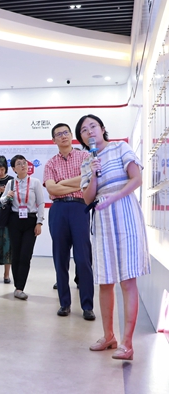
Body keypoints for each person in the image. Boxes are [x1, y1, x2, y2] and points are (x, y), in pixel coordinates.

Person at [77, 114, 151, 361]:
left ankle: (127, 344)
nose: (90, 131)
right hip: (102, 219)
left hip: (125, 212)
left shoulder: (121, 147)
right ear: (82, 138)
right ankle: (108, 336)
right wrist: (94, 175)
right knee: (105, 280)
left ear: (102, 129)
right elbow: (87, 198)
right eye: (84, 130)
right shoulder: (88, 162)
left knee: (127, 280)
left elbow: (136, 179)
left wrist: (115, 197)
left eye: (93, 126)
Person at [44, 123, 95, 320]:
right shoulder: (50, 164)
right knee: (60, 258)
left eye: (66, 132)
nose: (63, 136)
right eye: (59, 134)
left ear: (71, 135)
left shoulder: (84, 157)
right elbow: (52, 189)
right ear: (53, 140)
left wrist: (62, 183)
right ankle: (64, 303)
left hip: (80, 208)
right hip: (58, 209)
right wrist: (77, 184)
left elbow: (88, 180)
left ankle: (87, 305)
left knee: (83, 258)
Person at [1, 155, 45, 300]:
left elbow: (40, 203)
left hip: (30, 221)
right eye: (19, 164)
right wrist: (7, 196)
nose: (23, 166)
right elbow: (2, 200)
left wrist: (39, 222)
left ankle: (20, 287)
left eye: (24, 163)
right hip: (14, 220)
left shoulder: (35, 182)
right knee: (16, 254)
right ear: (14, 169)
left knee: (26, 255)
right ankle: (18, 287)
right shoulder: (10, 183)